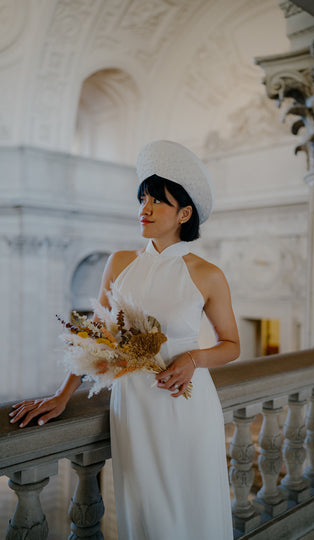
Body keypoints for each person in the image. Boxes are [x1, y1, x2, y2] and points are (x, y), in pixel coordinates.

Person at [10, 140, 240, 540]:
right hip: (133, 407)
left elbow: (231, 344)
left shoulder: (207, 274)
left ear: (184, 213)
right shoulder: (120, 263)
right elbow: (94, 339)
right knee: (145, 513)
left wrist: (193, 359)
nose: (144, 209)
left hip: (186, 407)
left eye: (157, 202)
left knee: (192, 508)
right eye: (142, 199)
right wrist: (63, 394)